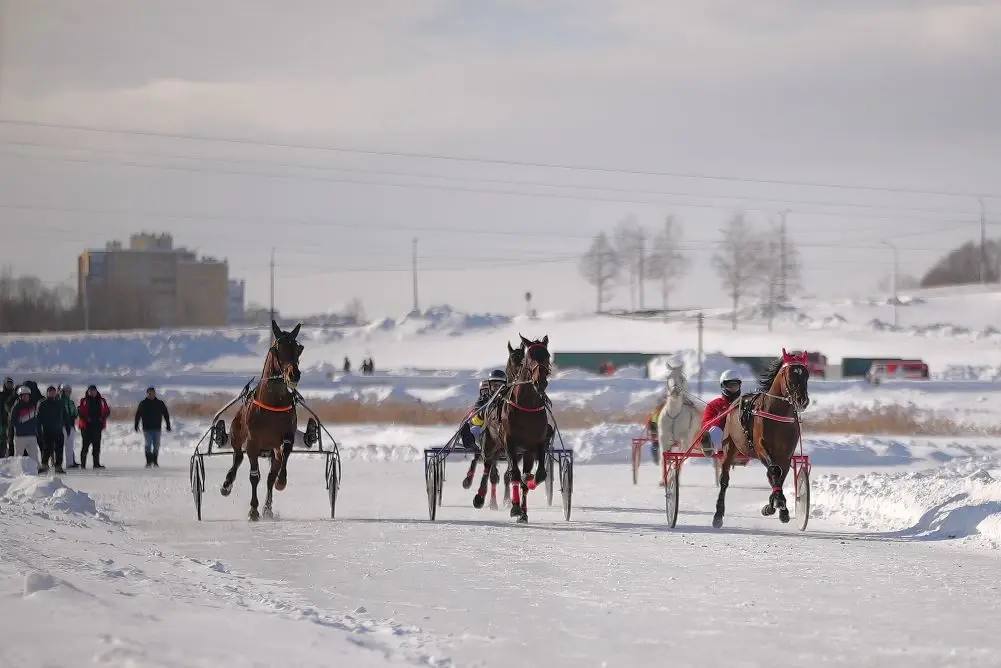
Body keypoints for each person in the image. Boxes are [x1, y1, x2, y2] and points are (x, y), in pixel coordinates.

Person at [460, 370, 506, 449]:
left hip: (504, 432)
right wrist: (481, 415)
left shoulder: (508, 400)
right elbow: (474, 420)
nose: (497, 389)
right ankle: (472, 445)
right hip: (485, 430)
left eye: (500, 386)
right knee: (472, 429)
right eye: (495, 386)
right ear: (490, 386)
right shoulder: (483, 399)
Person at [702, 370, 743, 454]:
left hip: (740, 437)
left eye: (735, 386)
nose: (733, 389)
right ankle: (708, 447)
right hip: (722, 439)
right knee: (715, 430)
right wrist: (719, 418)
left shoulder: (744, 403)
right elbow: (705, 425)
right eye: (730, 386)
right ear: (723, 386)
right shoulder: (714, 404)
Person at [134, 387, 171, 468]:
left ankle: (155, 461)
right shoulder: (143, 403)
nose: (151, 395)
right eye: (149, 393)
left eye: (153, 393)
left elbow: (166, 414)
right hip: (147, 428)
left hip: (157, 428)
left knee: (156, 445)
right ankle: (148, 462)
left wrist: (168, 425)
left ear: (155, 393)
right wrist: (136, 425)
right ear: (147, 394)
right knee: (148, 445)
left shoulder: (160, 403)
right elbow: (138, 415)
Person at [7, 385, 41, 470]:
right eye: (24, 395)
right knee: (18, 456)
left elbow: (36, 419)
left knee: (34, 455)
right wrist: (19, 427)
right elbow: (12, 421)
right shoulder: (16, 407)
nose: (26, 397)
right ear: (20, 396)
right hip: (20, 436)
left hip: (32, 435)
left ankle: (36, 470)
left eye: (27, 395)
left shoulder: (33, 406)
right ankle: (16, 471)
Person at [36, 385, 69, 474]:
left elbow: (65, 416)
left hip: (58, 430)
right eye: (50, 392)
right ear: (47, 393)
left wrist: (67, 427)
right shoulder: (43, 403)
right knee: (47, 449)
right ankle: (44, 465)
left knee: (59, 449)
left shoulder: (60, 403)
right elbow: (38, 418)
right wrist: (38, 430)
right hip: (47, 430)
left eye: (53, 392)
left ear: (56, 393)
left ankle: (58, 466)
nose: (52, 393)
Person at [78, 385, 110, 469]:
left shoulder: (102, 400)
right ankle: (83, 464)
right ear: (88, 392)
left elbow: (107, 411)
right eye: (90, 391)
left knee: (96, 446)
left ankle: (96, 464)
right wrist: (87, 418)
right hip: (86, 427)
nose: (92, 392)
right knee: (85, 446)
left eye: (93, 391)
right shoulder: (84, 400)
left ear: (96, 391)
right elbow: (80, 412)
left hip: (97, 426)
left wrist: (102, 418)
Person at [60, 385, 79, 468]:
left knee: (70, 445)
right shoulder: (59, 401)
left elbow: (75, 413)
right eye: (66, 391)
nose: (68, 392)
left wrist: (76, 413)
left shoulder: (71, 402)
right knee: (59, 446)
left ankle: (70, 463)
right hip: (62, 426)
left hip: (71, 426)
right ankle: (57, 463)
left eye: (69, 391)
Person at [0, 377, 15, 457]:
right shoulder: (1, 395)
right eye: (8, 384)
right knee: (3, 439)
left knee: (11, 439)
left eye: (11, 384)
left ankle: (11, 456)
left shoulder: (15, 395)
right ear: (5, 385)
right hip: (3, 421)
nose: (9, 385)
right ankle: (3, 455)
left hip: (13, 421)